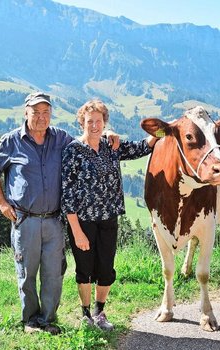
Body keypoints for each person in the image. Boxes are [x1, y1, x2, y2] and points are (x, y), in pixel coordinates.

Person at [0, 92, 119, 335]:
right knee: (27, 273)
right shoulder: (12, 141)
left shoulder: (60, 138)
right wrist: (2, 203)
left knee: (54, 273)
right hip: (25, 219)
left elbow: (86, 140)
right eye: (35, 112)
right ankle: (30, 321)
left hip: (54, 221)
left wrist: (106, 134)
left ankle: (47, 320)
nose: (41, 117)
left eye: (46, 112)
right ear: (26, 113)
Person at [61, 99, 158, 331]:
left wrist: (165, 130)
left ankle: (100, 313)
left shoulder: (111, 147)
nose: (94, 125)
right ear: (81, 122)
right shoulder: (73, 151)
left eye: (98, 121)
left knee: (106, 268)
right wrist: (76, 231)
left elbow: (142, 147)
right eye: (89, 121)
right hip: (83, 221)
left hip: (108, 219)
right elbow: (67, 193)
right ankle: (85, 314)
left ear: (105, 123)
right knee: (84, 268)